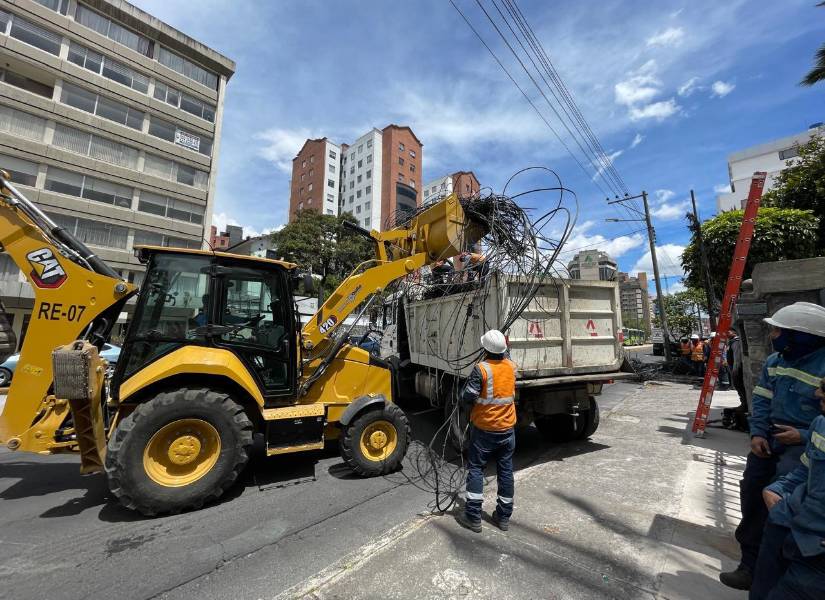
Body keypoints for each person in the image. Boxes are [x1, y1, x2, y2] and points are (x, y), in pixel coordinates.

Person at [720, 302, 825, 591]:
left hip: (804, 448)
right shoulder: (775, 362)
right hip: (769, 440)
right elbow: (762, 399)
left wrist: (802, 436)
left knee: (783, 509)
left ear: (801, 335)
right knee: (753, 494)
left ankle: (780, 574)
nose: (773, 335)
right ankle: (750, 566)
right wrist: (757, 434)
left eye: (779, 330)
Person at [749, 380, 825, 599]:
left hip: (816, 548)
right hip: (789, 521)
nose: (817, 392)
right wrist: (777, 489)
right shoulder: (820, 424)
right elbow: (805, 469)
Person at [456, 329, 517, 533]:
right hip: (507, 430)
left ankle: (473, 516)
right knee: (506, 471)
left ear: (485, 349)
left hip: (485, 429)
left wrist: (462, 396)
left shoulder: (481, 369)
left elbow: (468, 396)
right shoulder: (511, 367)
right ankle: (503, 517)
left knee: (476, 469)